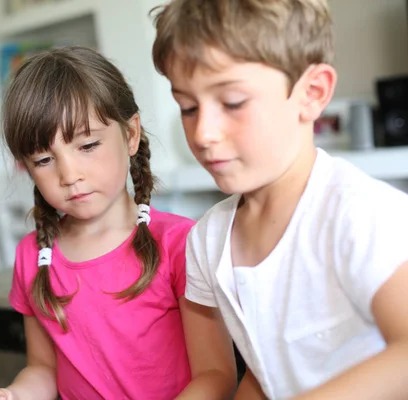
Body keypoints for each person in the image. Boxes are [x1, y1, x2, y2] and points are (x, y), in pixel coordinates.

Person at [152, 0, 408, 399]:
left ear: (312, 93)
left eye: (232, 102)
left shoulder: (360, 212)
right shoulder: (207, 241)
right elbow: (267, 370)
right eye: (187, 107)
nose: (203, 133)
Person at [0, 46, 237, 400]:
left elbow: (216, 375)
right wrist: (16, 394)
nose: (69, 174)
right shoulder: (33, 255)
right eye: (44, 159)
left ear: (130, 134)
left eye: (88, 145)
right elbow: (43, 369)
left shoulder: (181, 243)